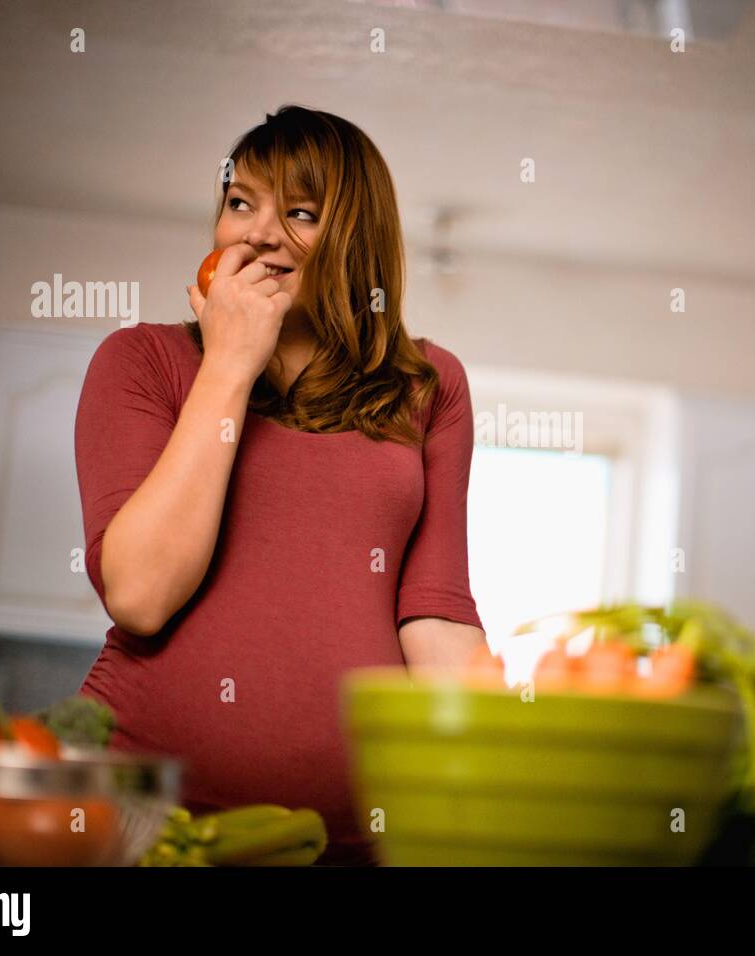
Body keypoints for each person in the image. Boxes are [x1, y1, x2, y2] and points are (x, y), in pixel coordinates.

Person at [73, 106, 485, 865]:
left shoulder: (429, 387)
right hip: (131, 825)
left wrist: (488, 793)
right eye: (239, 203)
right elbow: (140, 593)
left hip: (355, 842)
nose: (258, 233)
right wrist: (229, 363)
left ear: (355, 239)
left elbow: (435, 616)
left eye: (299, 212)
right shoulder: (143, 361)